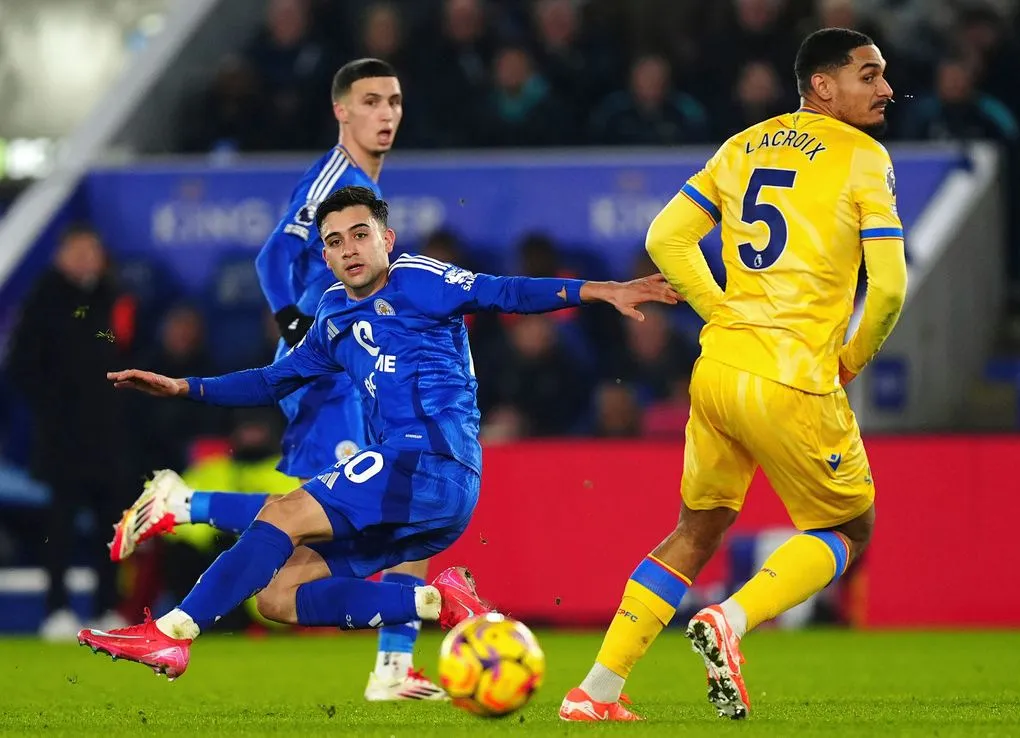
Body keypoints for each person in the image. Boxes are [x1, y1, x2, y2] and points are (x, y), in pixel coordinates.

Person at [79, 185, 680, 681]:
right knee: (279, 597)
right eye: (334, 242)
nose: (349, 249)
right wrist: (186, 387)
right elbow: (273, 380)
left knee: (286, 513)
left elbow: (506, 293)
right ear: (326, 256)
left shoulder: (418, 280)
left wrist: (601, 290)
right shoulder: (334, 317)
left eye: (360, 234)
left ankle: (172, 631)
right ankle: (436, 601)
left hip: (433, 462)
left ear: (386, 239)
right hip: (416, 487)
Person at [560, 27, 907, 722]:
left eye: (884, 75)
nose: (886, 89)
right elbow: (891, 288)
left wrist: (719, 307)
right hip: (793, 373)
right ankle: (733, 620)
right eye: (868, 75)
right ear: (821, 86)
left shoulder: (742, 145)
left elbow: (665, 238)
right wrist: (849, 359)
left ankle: (594, 691)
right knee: (848, 529)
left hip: (719, 367)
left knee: (696, 527)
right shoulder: (864, 157)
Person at [109, 58, 444, 700]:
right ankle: (183, 505)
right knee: (335, 513)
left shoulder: (364, 182)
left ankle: (395, 669)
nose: (386, 115)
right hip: (330, 376)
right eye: (371, 102)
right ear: (341, 110)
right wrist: (296, 330)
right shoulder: (334, 178)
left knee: (403, 517)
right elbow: (271, 257)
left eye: (395, 102)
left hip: (356, 367)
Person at [6, 225, 137, 640]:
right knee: (60, 525)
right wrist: (56, 408)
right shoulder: (44, 299)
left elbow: (119, 348)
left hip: (108, 434)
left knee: (111, 525)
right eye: (77, 251)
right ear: (61, 256)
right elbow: (21, 366)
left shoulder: (108, 297)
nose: (85, 258)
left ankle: (106, 606)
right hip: (63, 436)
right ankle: (56, 610)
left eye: (92, 251)